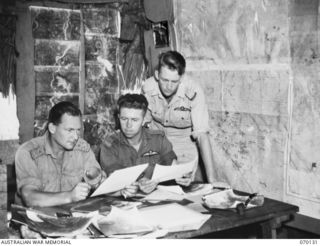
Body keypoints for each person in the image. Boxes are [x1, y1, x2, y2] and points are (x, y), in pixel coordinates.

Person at [142, 50, 216, 183]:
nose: (168, 86)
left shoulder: (193, 91)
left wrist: (213, 181)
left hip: (183, 148)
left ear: (181, 78)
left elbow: (202, 135)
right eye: (164, 80)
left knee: (182, 188)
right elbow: (142, 125)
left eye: (174, 81)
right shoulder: (148, 88)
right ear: (157, 75)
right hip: (157, 145)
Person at [15, 101, 103, 208]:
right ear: (52, 128)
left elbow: (97, 179)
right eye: (69, 130)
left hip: (71, 217)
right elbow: (30, 198)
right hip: (34, 219)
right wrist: (70, 196)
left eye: (78, 130)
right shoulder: (28, 152)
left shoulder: (82, 149)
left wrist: (102, 182)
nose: (75, 137)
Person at [99, 93, 188, 198]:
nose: (128, 125)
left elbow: (174, 167)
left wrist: (183, 176)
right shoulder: (109, 145)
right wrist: (134, 186)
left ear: (144, 119)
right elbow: (113, 182)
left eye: (134, 120)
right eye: (124, 119)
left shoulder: (158, 139)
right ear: (118, 117)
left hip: (157, 201)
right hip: (123, 203)